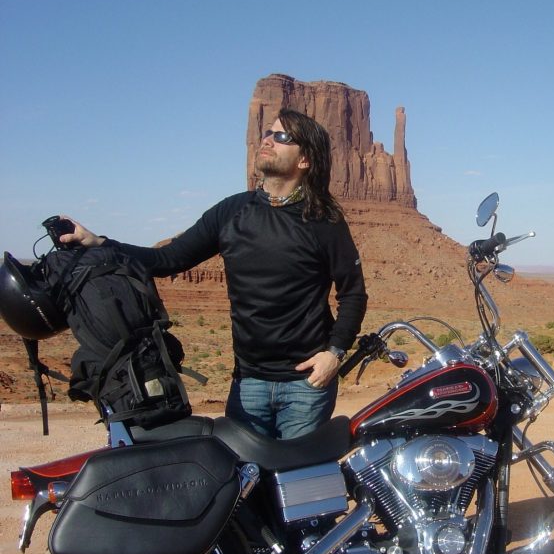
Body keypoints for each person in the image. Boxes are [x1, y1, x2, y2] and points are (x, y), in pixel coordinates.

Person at [63, 109, 368, 439]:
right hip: (248, 383)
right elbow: (167, 259)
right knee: (245, 485)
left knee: (300, 483)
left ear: (305, 159)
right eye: (268, 132)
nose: (267, 139)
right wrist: (100, 243)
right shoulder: (233, 211)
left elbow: (352, 293)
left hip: (306, 385)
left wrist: (333, 354)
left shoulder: (324, 221)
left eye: (281, 137)